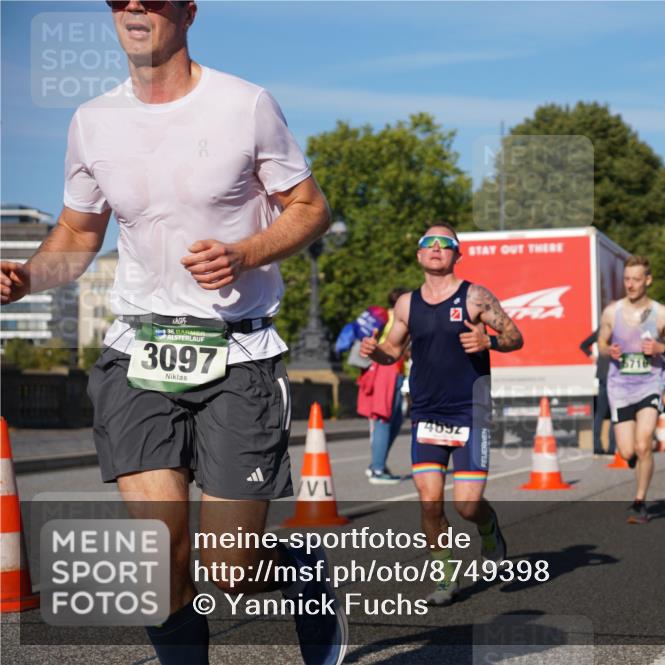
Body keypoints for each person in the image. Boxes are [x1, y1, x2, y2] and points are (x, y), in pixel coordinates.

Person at [1, 3, 347, 663]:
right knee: (159, 563)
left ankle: (300, 569)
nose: (135, 7)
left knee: (230, 570)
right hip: (138, 354)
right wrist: (30, 276)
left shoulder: (244, 105)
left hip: (237, 353)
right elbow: (79, 233)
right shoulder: (92, 121)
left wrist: (245, 253)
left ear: (188, 11)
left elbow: (310, 208)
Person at [360, 223, 524, 606]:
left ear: (456, 254)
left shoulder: (476, 297)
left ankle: (489, 528)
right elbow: (393, 351)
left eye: (444, 243)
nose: (436, 248)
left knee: (467, 505)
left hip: (470, 410)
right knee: (430, 501)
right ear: (419, 255)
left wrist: (490, 341)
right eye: (428, 244)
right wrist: (376, 351)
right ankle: (444, 579)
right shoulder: (406, 305)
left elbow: (516, 336)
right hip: (428, 412)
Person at [597, 255, 665, 525]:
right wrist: (608, 350)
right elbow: (601, 342)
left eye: (636, 279)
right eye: (627, 279)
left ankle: (640, 501)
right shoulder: (612, 312)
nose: (631, 285)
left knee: (643, 443)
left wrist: (663, 349)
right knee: (626, 452)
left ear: (648, 280)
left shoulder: (662, 314)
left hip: (650, 384)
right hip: (620, 386)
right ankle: (636, 461)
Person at [356, 288, 409, 483]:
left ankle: (378, 464)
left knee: (393, 419)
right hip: (387, 371)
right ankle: (377, 469)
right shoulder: (398, 317)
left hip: (391, 371)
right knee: (384, 418)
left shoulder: (384, 316)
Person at [580, 329, 616, 455]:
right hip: (616, 375)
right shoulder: (622, 327)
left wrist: (592, 356)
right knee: (614, 413)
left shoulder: (603, 328)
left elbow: (583, 345)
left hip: (603, 374)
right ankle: (612, 447)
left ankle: (597, 446)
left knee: (600, 413)